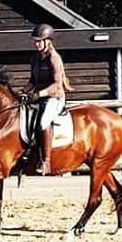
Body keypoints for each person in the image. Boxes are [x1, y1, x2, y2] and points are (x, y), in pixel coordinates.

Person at [24, 23, 71, 175]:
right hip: (40, 97)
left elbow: (57, 86)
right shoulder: (35, 58)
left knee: (43, 122)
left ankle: (46, 163)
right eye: (35, 41)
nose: (36, 43)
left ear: (48, 41)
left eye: (39, 41)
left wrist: (39, 95)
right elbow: (32, 80)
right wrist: (24, 91)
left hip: (54, 97)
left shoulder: (54, 58)